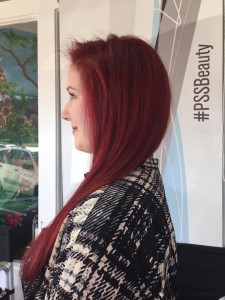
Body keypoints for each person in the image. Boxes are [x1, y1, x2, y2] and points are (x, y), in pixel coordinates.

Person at [21, 34, 178, 299]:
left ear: (113, 103)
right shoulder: (139, 181)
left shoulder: (108, 222)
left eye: (73, 95)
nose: (65, 112)